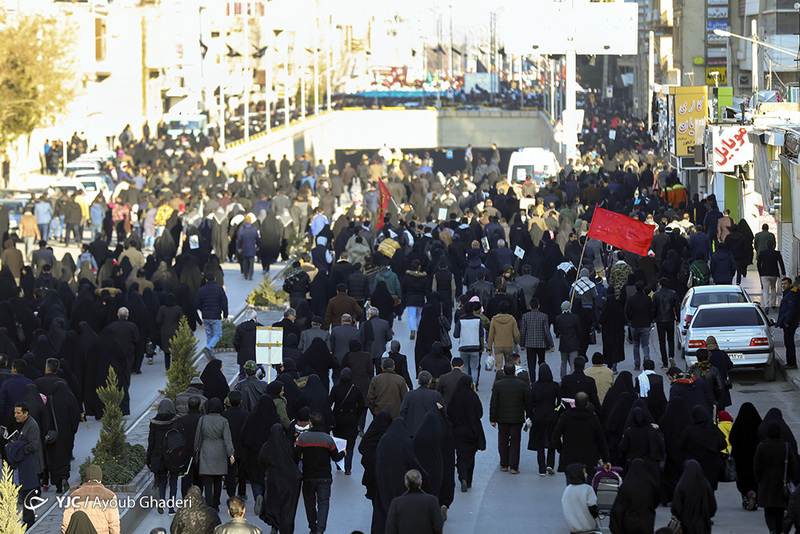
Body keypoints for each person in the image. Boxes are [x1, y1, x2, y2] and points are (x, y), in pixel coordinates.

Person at [294, 412, 345, 534]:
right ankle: (320, 530)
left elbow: (295, 456)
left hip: (308, 476)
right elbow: (336, 457)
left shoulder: (302, 438)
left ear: (311, 423)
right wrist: (343, 453)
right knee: (323, 504)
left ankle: (313, 527)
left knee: (309, 503)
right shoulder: (328, 439)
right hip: (325, 477)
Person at [552, 391, 611, 474]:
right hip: (589, 457)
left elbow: (555, 436)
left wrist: (560, 448)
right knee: (587, 484)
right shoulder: (593, 419)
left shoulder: (565, 417)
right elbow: (601, 441)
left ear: (574, 403)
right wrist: (605, 460)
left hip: (569, 456)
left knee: (571, 484)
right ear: (587, 404)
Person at [259, 423, 301, 534]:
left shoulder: (266, 446)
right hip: (289, 480)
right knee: (287, 505)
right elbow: (294, 458)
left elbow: (262, 461)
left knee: (273, 503)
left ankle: (274, 524)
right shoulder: (287, 444)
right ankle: (286, 527)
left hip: (273, 479)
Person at [489, 364, 530, 474]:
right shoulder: (521, 385)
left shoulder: (498, 385)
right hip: (517, 418)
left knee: (503, 440)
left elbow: (494, 403)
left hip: (502, 418)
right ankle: (514, 467)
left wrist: (492, 419)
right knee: (515, 442)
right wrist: (529, 416)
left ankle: (504, 464)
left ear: (504, 372)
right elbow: (527, 402)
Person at [195, 398, 235, 511]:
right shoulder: (224, 421)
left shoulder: (203, 419)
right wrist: (230, 453)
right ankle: (216, 503)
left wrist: (196, 452)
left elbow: (198, 437)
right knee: (218, 479)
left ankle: (209, 504)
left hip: (206, 449)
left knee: (207, 480)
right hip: (220, 450)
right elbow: (227, 439)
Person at [447, 375, 485, 492]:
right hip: (472, 432)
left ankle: (462, 476)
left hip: (458, 431)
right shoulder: (473, 396)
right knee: (470, 457)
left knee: (461, 456)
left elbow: (449, 412)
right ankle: (468, 480)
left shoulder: (455, 396)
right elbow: (480, 413)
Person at [9, 401, 43, 529]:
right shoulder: (22, 424)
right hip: (25, 465)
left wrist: (17, 449)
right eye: (15, 413)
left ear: (26, 413)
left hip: (31, 465)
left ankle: (29, 520)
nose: (15, 415)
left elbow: (33, 445)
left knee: (29, 493)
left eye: (18, 413)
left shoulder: (32, 426)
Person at [60, 464, 120, 534]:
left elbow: (66, 522)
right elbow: (113, 524)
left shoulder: (74, 495)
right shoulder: (110, 496)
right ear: (100, 479)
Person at [608, 458, 660, 534]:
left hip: (629, 522)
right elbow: (656, 500)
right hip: (646, 521)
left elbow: (619, 506)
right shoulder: (650, 484)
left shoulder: (626, 485)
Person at [147, 399, 181, 515]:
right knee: (173, 481)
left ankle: (161, 502)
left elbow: (151, 442)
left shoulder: (154, 423)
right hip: (173, 455)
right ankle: (171, 507)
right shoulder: (176, 420)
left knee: (162, 480)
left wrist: (149, 459)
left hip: (159, 455)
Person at [329, 368, 365, 474]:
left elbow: (329, 404)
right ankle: (348, 467)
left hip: (338, 419)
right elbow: (362, 405)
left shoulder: (335, 389)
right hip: (351, 419)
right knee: (350, 445)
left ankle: (339, 464)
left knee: (339, 443)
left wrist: (332, 417)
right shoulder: (355, 390)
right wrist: (356, 415)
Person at [385, 469, 444, 534]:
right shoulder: (432, 500)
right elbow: (438, 525)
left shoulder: (396, 503)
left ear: (406, 484)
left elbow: (390, 528)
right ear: (420, 483)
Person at [527, 363, 560, 477]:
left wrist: (529, 415)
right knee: (552, 440)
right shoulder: (555, 386)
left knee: (539, 443)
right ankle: (550, 464)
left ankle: (541, 468)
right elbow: (560, 403)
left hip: (538, 416)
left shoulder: (536, 386)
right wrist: (557, 410)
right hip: (552, 416)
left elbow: (530, 403)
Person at [729, 402, 762, 511]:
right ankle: (754, 495)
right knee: (754, 480)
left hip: (741, 461)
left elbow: (731, 439)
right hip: (755, 460)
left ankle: (746, 497)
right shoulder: (759, 424)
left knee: (743, 481)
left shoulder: (738, 425)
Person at [671, 460, 716, 534]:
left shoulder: (682, 485)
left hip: (686, 524)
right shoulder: (706, 486)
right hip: (703, 525)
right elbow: (712, 507)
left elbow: (676, 507)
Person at [399, 371, 444, 437]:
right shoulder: (436, 395)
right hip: (431, 432)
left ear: (419, 382)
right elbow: (442, 413)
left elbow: (402, 412)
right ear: (430, 382)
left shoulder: (410, 395)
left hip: (412, 432)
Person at [195, 272, 229, 360]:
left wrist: (203, 309)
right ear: (215, 279)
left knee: (209, 335)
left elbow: (197, 304)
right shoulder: (219, 289)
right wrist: (225, 314)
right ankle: (209, 348)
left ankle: (211, 355)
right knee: (217, 334)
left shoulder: (201, 290)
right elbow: (224, 302)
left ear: (206, 280)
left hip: (205, 316)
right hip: (215, 315)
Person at [519, 298, 554, 381]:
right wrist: (551, 344)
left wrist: (522, 344)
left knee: (531, 365)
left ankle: (532, 381)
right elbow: (547, 331)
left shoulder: (525, 316)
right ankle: (542, 379)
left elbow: (523, 331)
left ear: (530, 307)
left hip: (530, 344)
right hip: (541, 344)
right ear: (538, 306)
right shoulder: (544, 316)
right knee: (542, 362)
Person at [561, 464, 600, 534]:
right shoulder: (587, 489)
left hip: (573, 528)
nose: (586, 475)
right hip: (588, 527)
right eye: (584, 473)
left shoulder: (567, 490)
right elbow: (592, 507)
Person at [624, 281, 654, 371]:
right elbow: (651, 312)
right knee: (645, 344)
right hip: (645, 324)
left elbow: (627, 311)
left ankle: (637, 364)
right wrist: (650, 321)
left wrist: (630, 319)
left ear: (635, 289)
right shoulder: (647, 299)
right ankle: (646, 357)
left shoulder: (631, 299)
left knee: (636, 344)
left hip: (635, 324)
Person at [652, 277, 678, 369]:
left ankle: (665, 362)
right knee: (671, 340)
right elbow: (677, 307)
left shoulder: (656, 295)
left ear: (661, 285)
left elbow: (654, 309)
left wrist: (653, 319)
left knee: (662, 342)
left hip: (660, 320)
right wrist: (678, 318)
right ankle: (671, 356)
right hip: (670, 319)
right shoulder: (673, 293)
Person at [487, 301, 520, 372]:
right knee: (509, 365)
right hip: (509, 345)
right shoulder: (511, 319)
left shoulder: (494, 319)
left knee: (498, 366)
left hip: (498, 346)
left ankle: (498, 380)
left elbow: (491, 334)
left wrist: (489, 348)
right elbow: (516, 334)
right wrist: (521, 343)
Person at [554, 300, 582, 379]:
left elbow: (557, 330)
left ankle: (563, 378)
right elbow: (579, 331)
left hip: (563, 343)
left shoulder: (558, 318)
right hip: (573, 343)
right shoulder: (575, 318)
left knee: (563, 362)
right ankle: (574, 378)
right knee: (573, 363)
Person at [778, 276, 800, 369]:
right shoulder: (788, 293)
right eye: (782, 284)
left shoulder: (792, 293)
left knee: (789, 343)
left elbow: (792, 309)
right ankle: (790, 362)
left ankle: (791, 363)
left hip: (790, 323)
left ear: (790, 284)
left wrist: (787, 321)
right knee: (788, 342)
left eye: (785, 284)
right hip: (789, 322)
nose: (783, 285)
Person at [757, 241, 785, 312]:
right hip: (774, 273)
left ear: (766, 245)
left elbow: (758, 264)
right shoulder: (776, 253)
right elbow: (781, 263)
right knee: (773, 288)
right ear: (773, 246)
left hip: (765, 274)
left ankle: (766, 305)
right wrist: (783, 273)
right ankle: (773, 304)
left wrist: (760, 272)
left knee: (765, 290)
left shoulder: (762, 253)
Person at [233, 309, 261, 377]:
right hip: (257, 356)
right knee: (257, 376)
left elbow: (236, 342)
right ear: (255, 317)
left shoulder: (240, 327)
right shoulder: (260, 327)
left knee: (243, 375)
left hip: (243, 356)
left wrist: (239, 350)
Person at [236, 215, 260, 281]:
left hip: (245, 248)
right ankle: (250, 275)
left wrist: (239, 248)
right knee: (251, 262)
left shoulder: (242, 229)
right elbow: (257, 239)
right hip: (252, 248)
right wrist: (258, 246)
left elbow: (240, 239)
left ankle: (246, 274)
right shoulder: (254, 229)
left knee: (245, 261)